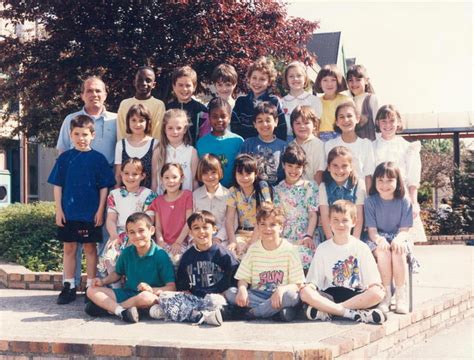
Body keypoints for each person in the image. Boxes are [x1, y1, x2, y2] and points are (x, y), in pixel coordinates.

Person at [56, 76, 117, 292]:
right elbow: (63, 152)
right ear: (82, 94)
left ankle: (98, 284)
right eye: (90, 91)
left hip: (105, 185)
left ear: (105, 94)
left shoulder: (115, 120)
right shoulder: (71, 120)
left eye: (99, 91)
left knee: (101, 239)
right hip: (75, 190)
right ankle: (69, 285)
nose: (94, 95)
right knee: (72, 244)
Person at [48, 115, 115, 304]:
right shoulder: (65, 158)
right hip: (69, 212)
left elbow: (104, 187)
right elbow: (58, 185)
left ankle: (90, 286)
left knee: (89, 248)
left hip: (90, 212)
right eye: (76, 134)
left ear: (92, 135)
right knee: (69, 248)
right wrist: (59, 210)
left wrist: (100, 210)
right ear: (70, 135)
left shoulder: (98, 159)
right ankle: (69, 286)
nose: (80, 138)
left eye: (85, 134)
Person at [300, 200, 386, 324]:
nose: (340, 224)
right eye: (335, 220)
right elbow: (313, 282)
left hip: (355, 296)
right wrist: (309, 290)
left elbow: (374, 283)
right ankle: (353, 314)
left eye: (345, 220)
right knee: (305, 293)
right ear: (329, 221)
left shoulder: (361, 247)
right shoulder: (323, 248)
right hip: (330, 296)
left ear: (354, 222)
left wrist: (373, 290)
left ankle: (331, 311)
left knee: (378, 292)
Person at [148, 211, 239, 326]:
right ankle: (202, 316)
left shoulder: (224, 254)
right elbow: (182, 282)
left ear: (214, 229)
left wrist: (225, 293)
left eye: (205, 227)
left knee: (225, 299)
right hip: (196, 300)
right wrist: (185, 291)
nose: (201, 232)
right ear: (190, 232)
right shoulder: (187, 256)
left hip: (218, 298)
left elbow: (236, 278)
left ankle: (184, 314)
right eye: (196, 228)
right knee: (165, 297)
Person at [84, 213, 176, 323]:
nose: (137, 236)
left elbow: (171, 287)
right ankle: (123, 312)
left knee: (146, 297)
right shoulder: (127, 252)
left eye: (141, 231)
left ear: (151, 230)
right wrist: (102, 281)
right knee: (91, 290)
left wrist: (152, 290)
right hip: (127, 293)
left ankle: (110, 308)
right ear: (127, 234)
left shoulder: (160, 255)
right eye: (132, 232)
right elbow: (117, 274)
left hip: (148, 296)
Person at [224, 205, 304, 322]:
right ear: (258, 227)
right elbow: (243, 278)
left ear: (281, 227)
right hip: (258, 294)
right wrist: (242, 289)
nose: (267, 229)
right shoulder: (253, 249)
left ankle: (253, 313)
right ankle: (274, 312)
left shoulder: (290, 250)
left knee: (292, 297)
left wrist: (280, 290)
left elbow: (297, 284)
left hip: (280, 294)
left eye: (272, 225)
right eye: (263, 224)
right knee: (231, 293)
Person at [372, 104, 426, 244]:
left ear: (398, 122)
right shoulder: (371, 146)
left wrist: (414, 203)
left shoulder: (408, 147)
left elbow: (413, 179)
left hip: (401, 198)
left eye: (392, 121)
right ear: (377, 122)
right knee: (381, 245)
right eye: (383, 121)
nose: (387, 125)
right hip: (378, 199)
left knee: (402, 244)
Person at [364, 162, 413, 314]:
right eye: (380, 180)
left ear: (397, 181)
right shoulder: (370, 201)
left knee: (398, 251)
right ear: (375, 182)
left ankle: (400, 295)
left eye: (389, 180)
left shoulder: (404, 201)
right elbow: (372, 231)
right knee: (383, 252)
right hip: (378, 238)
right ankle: (385, 295)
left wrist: (398, 239)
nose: (384, 185)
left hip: (399, 236)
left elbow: (405, 230)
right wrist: (380, 240)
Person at [98, 158, 156, 283]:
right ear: (121, 174)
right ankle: (115, 289)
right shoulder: (114, 194)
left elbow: (149, 220)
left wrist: (134, 236)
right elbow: (111, 219)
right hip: (119, 234)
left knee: (135, 260)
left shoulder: (149, 195)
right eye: (126, 173)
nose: (130, 177)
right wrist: (114, 236)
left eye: (135, 174)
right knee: (110, 258)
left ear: (142, 176)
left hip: (140, 235)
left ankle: (132, 287)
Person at [274, 144, 318, 271]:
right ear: (283, 165)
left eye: (298, 167)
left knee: (305, 256)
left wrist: (308, 236)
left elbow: (312, 214)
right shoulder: (277, 189)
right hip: (284, 237)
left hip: (305, 236)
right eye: (290, 166)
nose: (293, 170)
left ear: (303, 167)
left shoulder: (309, 187)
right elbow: (278, 217)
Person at [225, 154, 273, 257]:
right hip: (241, 233)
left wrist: (251, 242)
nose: (244, 178)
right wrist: (233, 241)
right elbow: (229, 219)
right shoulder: (233, 191)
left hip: (260, 232)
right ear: (235, 174)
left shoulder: (262, 187)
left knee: (254, 254)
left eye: (248, 173)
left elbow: (263, 217)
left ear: (256, 174)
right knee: (233, 254)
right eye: (240, 174)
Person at [232, 56, 287, 140]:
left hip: (268, 149)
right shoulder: (241, 102)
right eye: (254, 78)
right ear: (249, 79)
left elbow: (281, 130)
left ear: (269, 82)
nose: (257, 82)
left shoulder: (274, 102)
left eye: (262, 79)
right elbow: (234, 129)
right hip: (244, 148)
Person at [325, 102, 375, 191]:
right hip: (336, 194)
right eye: (341, 117)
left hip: (360, 194)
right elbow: (327, 174)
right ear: (337, 122)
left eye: (349, 116)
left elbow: (368, 175)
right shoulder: (330, 145)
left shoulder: (366, 144)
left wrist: (367, 200)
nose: (346, 120)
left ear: (357, 119)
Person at [149, 163, 193, 263]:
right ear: (161, 179)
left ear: (181, 178)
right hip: (164, 243)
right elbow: (158, 226)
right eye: (167, 177)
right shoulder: (158, 200)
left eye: (174, 177)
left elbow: (189, 222)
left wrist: (178, 242)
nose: (171, 181)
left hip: (182, 242)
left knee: (175, 260)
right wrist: (160, 241)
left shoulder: (187, 195)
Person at [319, 146, 366, 241]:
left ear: (351, 167)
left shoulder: (359, 184)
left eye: (344, 166)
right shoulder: (323, 186)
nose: (340, 170)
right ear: (328, 167)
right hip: (332, 235)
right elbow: (324, 216)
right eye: (335, 165)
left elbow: (359, 217)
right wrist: (331, 241)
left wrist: (355, 241)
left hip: (354, 234)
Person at [196, 97, 243, 187]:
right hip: (209, 192)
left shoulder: (238, 141)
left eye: (223, 116)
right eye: (214, 116)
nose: (219, 120)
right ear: (209, 118)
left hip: (232, 193)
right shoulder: (201, 143)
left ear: (229, 118)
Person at [239, 101, 287, 186]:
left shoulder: (283, 146)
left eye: (268, 120)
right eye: (260, 121)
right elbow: (240, 169)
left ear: (276, 122)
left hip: (277, 192)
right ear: (254, 124)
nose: (264, 124)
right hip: (253, 191)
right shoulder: (247, 144)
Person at [151, 109, 198, 194]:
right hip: (162, 202)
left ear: (185, 129)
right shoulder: (158, 151)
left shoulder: (192, 152)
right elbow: (154, 180)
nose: (175, 132)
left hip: (185, 203)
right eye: (170, 128)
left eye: (179, 128)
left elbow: (195, 181)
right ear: (164, 129)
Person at [114, 104, 158, 189]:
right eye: (133, 120)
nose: (137, 124)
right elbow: (118, 175)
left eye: (141, 120)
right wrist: (116, 197)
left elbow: (155, 176)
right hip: (125, 197)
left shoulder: (155, 144)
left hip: (147, 197)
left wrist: (153, 198)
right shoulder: (121, 145)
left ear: (147, 122)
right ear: (128, 122)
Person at [116, 66, 165, 141]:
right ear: (134, 82)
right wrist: (125, 148)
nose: (144, 83)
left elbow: (157, 133)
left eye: (148, 80)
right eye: (140, 80)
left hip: (151, 150)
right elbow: (121, 131)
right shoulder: (124, 104)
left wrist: (152, 150)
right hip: (127, 149)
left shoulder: (158, 105)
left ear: (153, 85)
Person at [193, 154, 231, 245]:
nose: (210, 177)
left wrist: (218, 238)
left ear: (220, 172)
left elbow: (231, 221)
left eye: (213, 172)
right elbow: (191, 221)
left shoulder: (229, 195)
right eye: (205, 173)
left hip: (222, 240)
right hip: (199, 239)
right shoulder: (195, 195)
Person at [166, 65, 209, 145]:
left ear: (194, 87)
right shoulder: (167, 109)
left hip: (193, 153)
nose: (184, 89)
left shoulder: (201, 110)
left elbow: (204, 136)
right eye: (180, 85)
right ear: (174, 86)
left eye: (188, 85)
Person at [281, 61, 322, 139]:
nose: (295, 79)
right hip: (287, 142)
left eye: (299, 75)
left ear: (305, 78)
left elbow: (317, 126)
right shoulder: (281, 102)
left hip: (309, 141)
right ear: (286, 79)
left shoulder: (314, 100)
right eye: (291, 76)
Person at [313, 64, 352, 142]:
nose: (329, 84)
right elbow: (314, 124)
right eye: (325, 80)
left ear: (338, 82)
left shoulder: (346, 100)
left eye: (333, 80)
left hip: (342, 137)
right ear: (320, 83)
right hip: (321, 139)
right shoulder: (316, 102)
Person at [290, 105, 325, 184]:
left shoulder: (319, 146)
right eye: (298, 123)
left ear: (314, 126)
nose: (302, 126)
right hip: (293, 190)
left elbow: (320, 173)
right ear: (292, 126)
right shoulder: (290, 146)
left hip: (313, 190)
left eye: (306, 123)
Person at [346, 65, 379, 141]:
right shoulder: (349, 102)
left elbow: (379, 125)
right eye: (350, 80)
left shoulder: (372, 99)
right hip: (355, 147)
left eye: (358, 80)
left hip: (371, 146)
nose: (354, 83)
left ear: (366, 81)